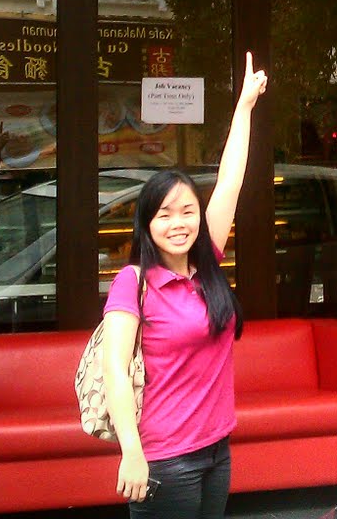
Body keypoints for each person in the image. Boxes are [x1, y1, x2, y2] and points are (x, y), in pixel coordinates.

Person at [101, 51, 268, 519]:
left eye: (188, 211)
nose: (178, 223)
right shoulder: (134, 283)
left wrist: (244, 106)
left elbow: (230, 181)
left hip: (216, 448)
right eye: (165, 214)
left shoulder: (207, 265)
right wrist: (132, 452)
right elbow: (115, 369)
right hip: (165, 458)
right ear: (146, 224)